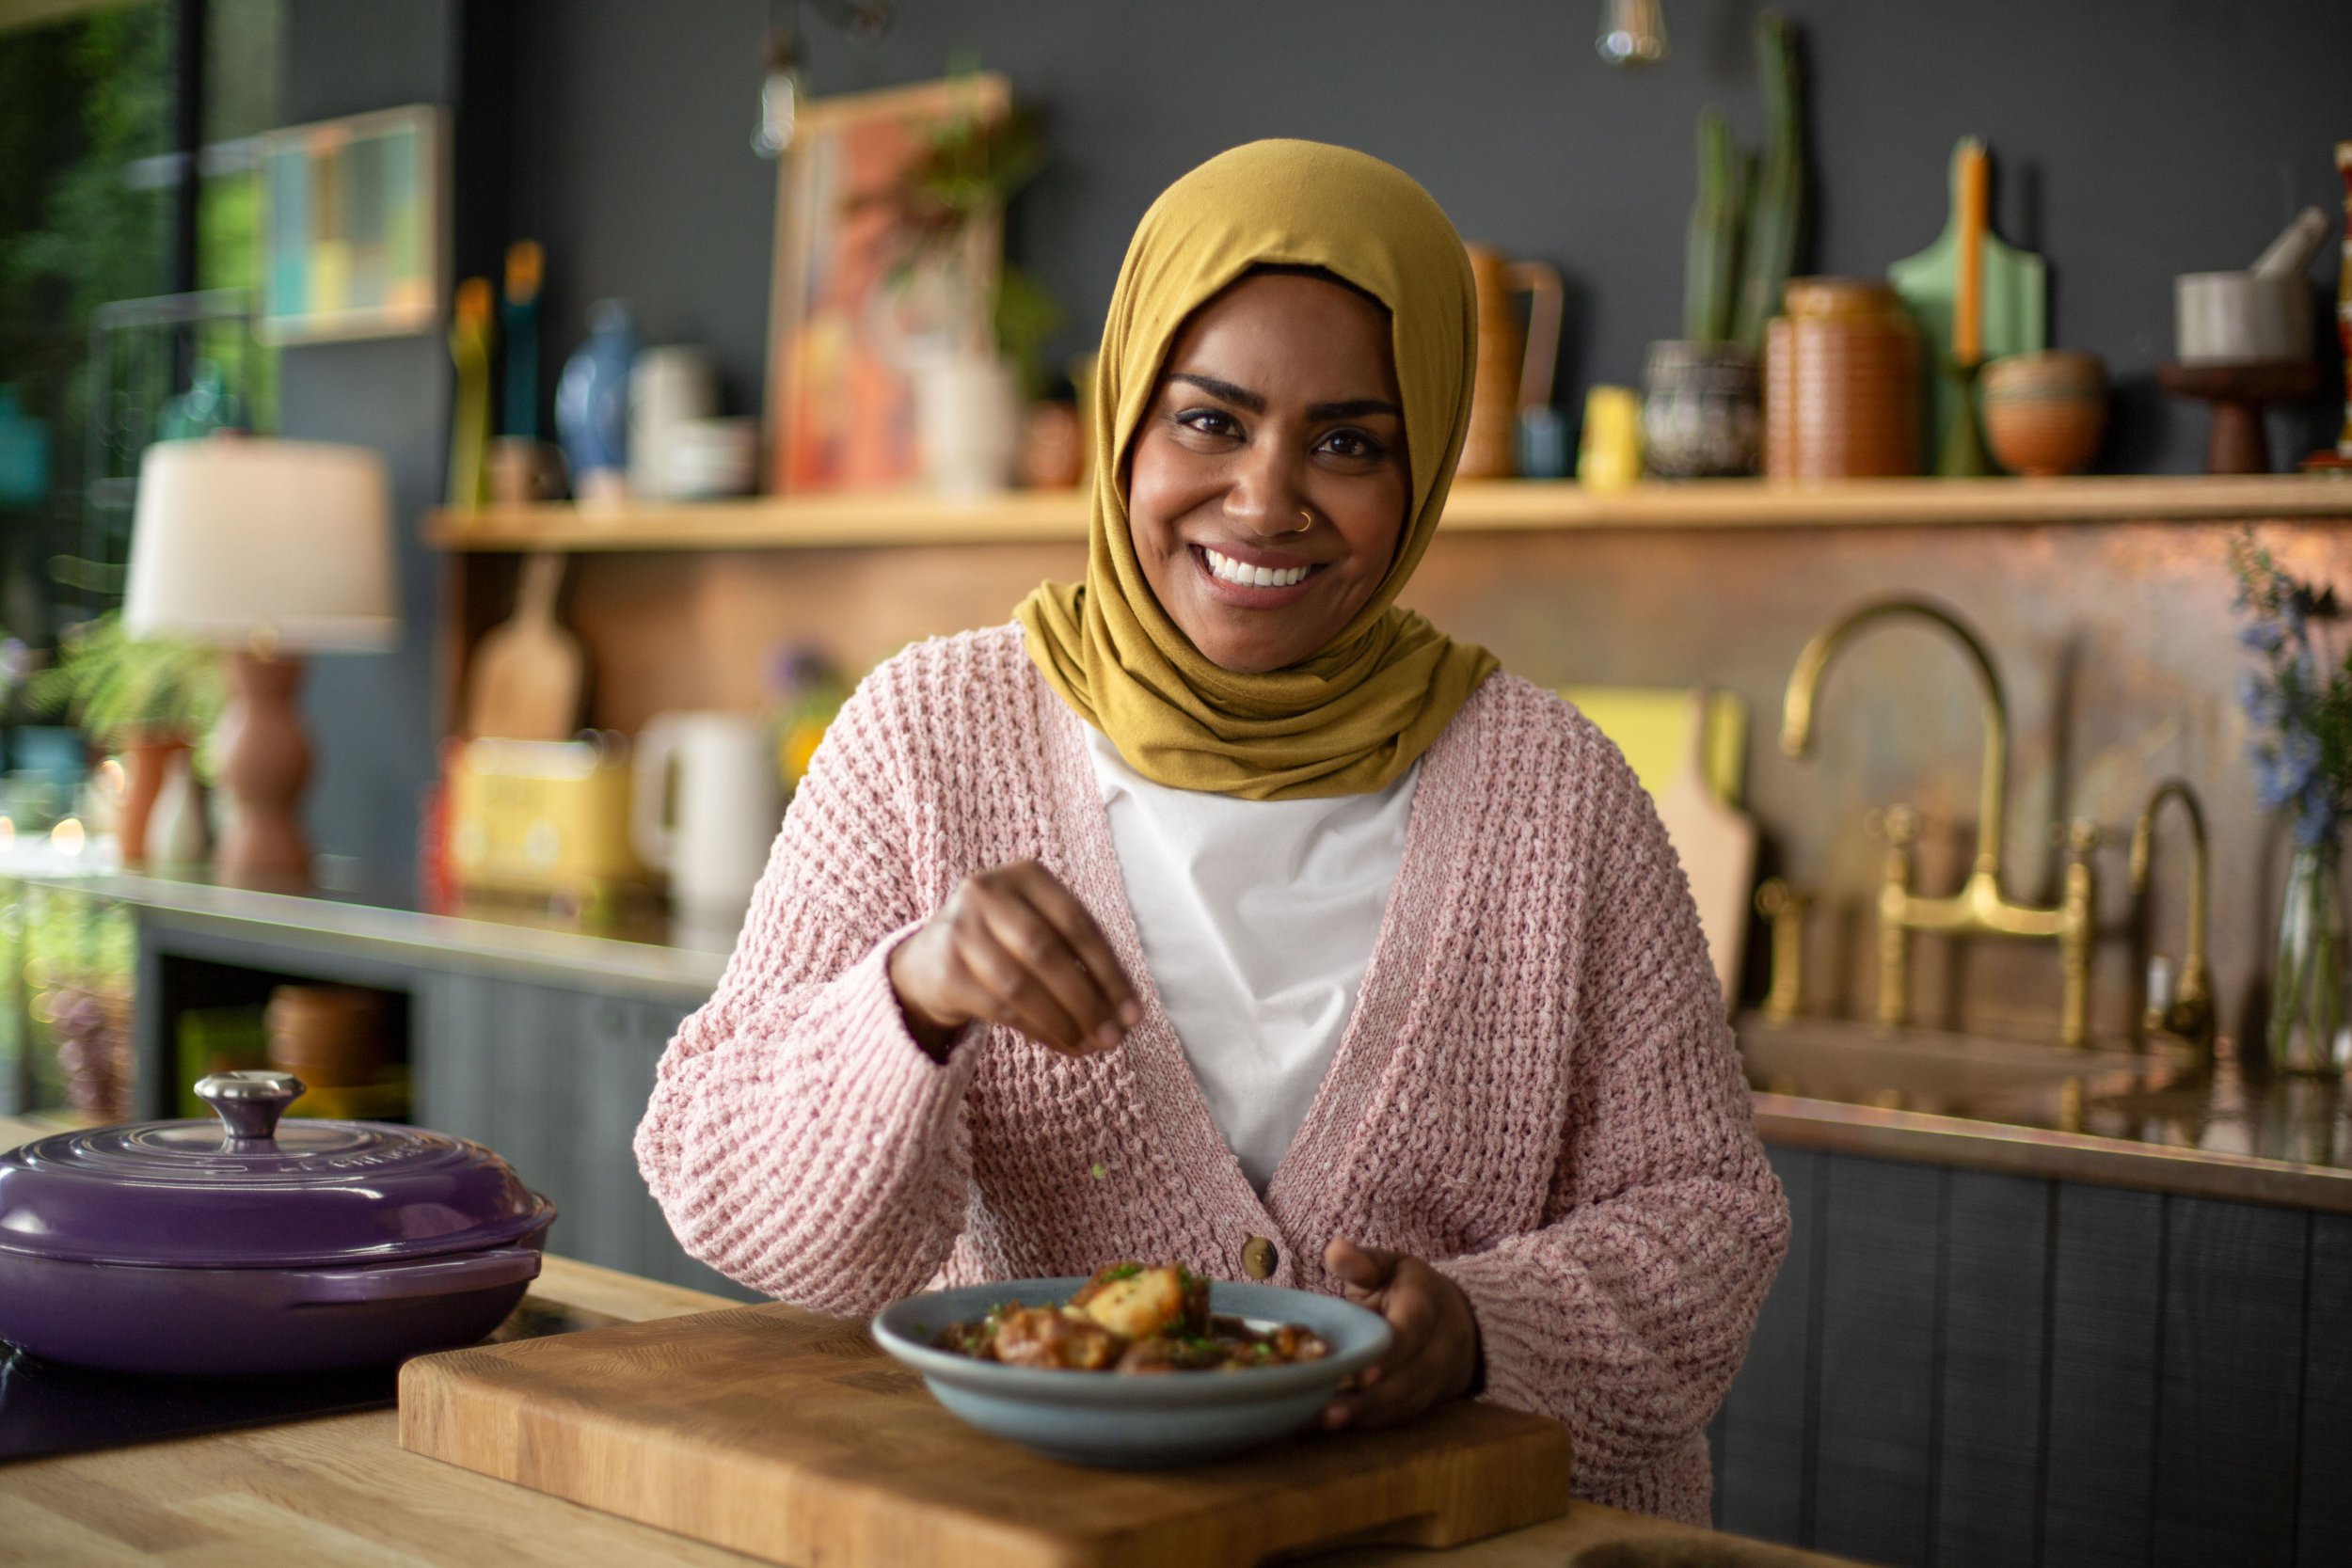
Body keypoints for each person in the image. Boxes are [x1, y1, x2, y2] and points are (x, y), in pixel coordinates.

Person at [637, 139, 1787, 1522]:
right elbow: (724, 1184)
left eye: (1350, 441)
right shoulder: (929, 739)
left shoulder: (1557, 795)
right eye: (1209, 420)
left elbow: (1709, 1222)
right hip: (1037, 1540)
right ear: (1123, 415)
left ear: (1421, 470)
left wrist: (1484, 1334)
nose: (1265, 499)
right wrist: (912, 998)